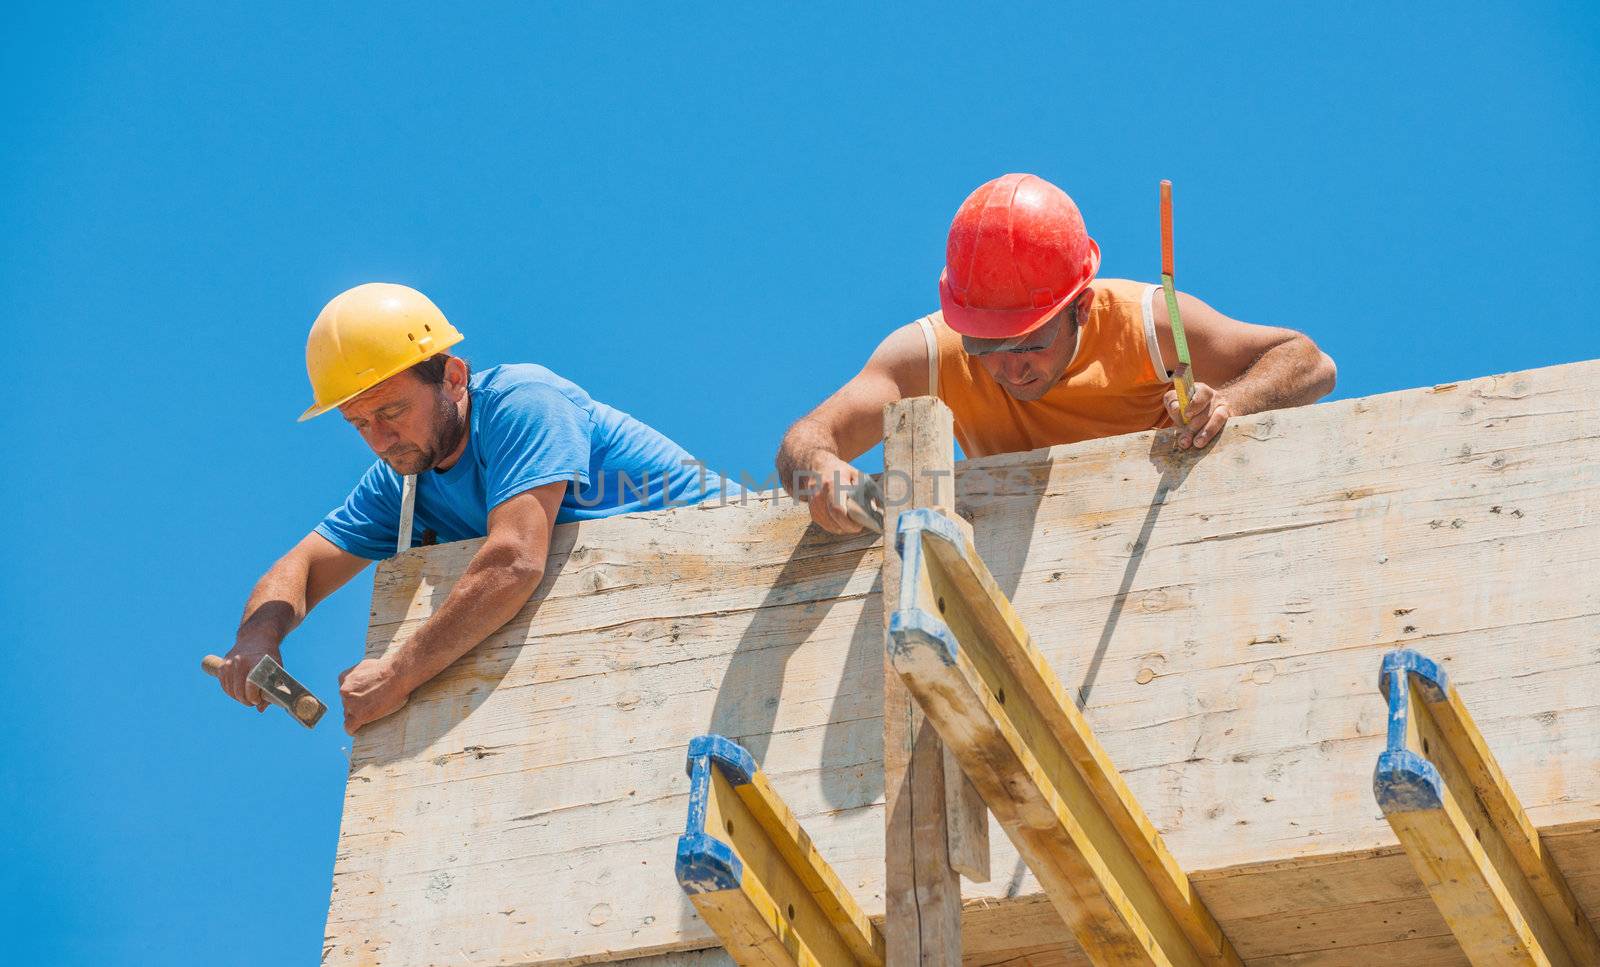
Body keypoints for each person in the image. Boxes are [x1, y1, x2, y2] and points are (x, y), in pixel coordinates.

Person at [213, 282, 722, 733]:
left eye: (392, 411)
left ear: (454, 378)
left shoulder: (524, 402)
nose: (380, 439)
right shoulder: (404, 482)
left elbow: (514, 562)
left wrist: (396, 673)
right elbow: (301, 566)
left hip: (726, 567)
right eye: (359, 423)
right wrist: (256, 638)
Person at [776, 173, 1337, 533]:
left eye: (1033, 343)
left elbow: (1309, 362)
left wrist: (1228, 406)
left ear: (1083, 307)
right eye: (986, 346)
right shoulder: (930, 353)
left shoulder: (1147, 323)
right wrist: (821, 473)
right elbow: (805, 440)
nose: (1008, 366)